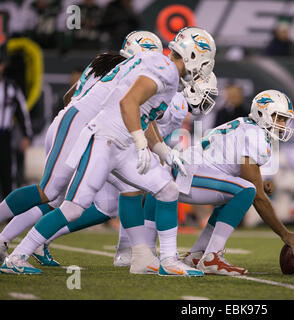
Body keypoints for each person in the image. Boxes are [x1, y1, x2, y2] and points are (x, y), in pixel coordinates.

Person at [1, 27, 216, 276]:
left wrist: (164, 152)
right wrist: (140, 143)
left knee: (165, 189)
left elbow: (143, 115)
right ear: (192, 55)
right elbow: (128, 103)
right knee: (66, 202)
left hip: (119, 141)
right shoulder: (164, 68)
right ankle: (18, 255)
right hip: (102, 138)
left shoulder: (161, 67)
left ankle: (160, 259)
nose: (205, 68)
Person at [175, 90, 294, 275]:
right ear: (263, 113)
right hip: (187, 176)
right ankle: (212, 257)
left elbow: (242, 169)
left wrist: (259, 183)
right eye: (279, 118)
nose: (283, 124)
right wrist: (285, 234)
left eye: (285, 119)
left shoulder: (248, 127)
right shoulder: (256, 134)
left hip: (187, 171)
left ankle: (198, 253)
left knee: (239, 192)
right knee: (246, 190)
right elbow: (257, 196)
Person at [0, 59, 33, 201]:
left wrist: (27, 135)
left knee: (7, 173)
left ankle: (6, 212)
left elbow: (22, 112)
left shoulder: (11, 87)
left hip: (4, 135)